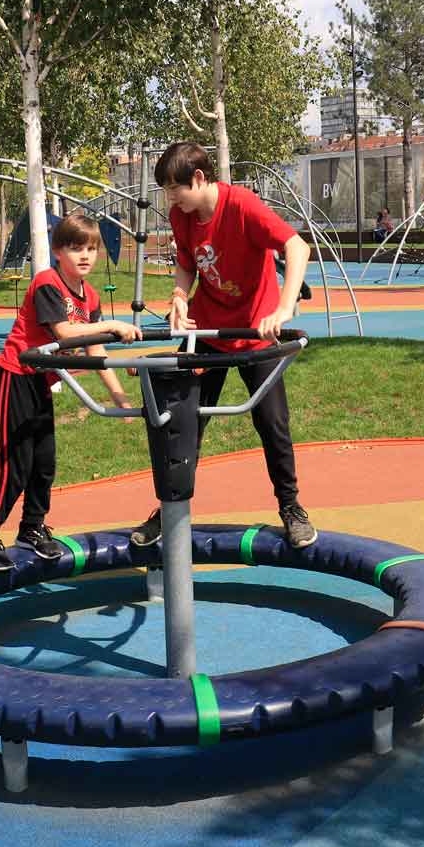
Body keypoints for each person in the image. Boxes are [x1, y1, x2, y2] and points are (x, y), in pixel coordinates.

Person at [131, 141, 316, 550]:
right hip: (208, 331)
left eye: (175, 189)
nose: (170, 198)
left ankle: (291, 508)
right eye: (165, 191)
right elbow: (185, 263)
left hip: (256, 331)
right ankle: (168, 510)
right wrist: (179, 299)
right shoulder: (183, 216)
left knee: (272, 424)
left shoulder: (242, 206)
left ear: (199, 178)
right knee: (181, 422)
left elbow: (296, 245)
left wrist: (284, 308)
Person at [0, 213, 141, 572]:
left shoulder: (89, 295)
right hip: (15, 375)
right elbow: (66, 332)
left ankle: (31, 528)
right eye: (76, 249)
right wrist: (113, 324)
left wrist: (118, 397)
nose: (85, 256)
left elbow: (95, 349)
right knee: (14, 462)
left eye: (91, 248)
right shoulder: (48, 283)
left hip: (40, 379)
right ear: (58, 251)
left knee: (44, 462)